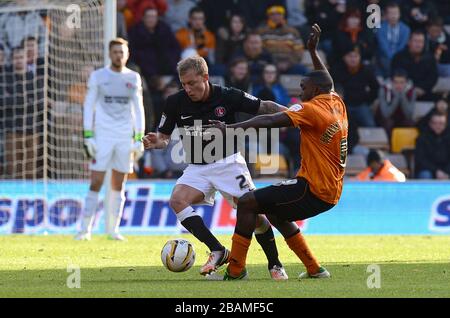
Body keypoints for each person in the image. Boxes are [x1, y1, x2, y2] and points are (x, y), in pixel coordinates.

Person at [208, 24, 347, 280]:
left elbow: (270, 122)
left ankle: (236, 269)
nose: (299, 92)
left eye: (303, 87)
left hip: (313, 188)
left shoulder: (310, 109)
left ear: (314, 91)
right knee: (273, 210)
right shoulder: (335, 102)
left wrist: (230, 129)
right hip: (328, 188)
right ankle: (315, 269)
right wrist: (313, 52)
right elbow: (326, 79)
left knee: (248, 202)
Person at [142, 55, 290, 280]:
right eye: (183, 84)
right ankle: (218, 250)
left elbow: (265, 107)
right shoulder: (175, 102)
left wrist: (298, 114)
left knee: (255, 214)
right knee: (177, 200)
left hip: (228, 163)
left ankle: (275, 263)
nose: (188, 89)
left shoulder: (227, 95)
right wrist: (157, 142)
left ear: (205, 77)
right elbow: (163, 138)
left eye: (192, 83)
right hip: (198, 167)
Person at [75, 38, 146, 241]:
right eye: (115, 52)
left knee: (119, 182)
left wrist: (139, 137)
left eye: (122, 52)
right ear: (109, 53)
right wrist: (88, 135)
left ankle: (113, 229)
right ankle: (84, 229)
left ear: (127, 54)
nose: (119, 55)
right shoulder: (99, 76)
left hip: (124, 136)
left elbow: (138, 108)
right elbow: (89, 105)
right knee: (96, 180)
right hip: (103, 135)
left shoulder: (133, 77)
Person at [391, 31, 438, 101]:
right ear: (409, 42)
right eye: (415, 41)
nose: (418, 45)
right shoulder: (398, 57)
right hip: (403, 92)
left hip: (424, 92)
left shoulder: (430, 58)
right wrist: (411, 89)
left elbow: (433, 77)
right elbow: (395, 75)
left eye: (421, 42)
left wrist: (422, 89)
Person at [376, 68, 416, 136]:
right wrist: (397, 97)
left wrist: (402, 95)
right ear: (391, 82)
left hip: (402, 117)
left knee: (411, 123)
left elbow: (409, 114)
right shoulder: (384, 89)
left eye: (402, 82)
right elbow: (386, 114)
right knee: (388, 123)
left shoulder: (411, 90)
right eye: (396, 82)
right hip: (386, 118)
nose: (399, 85)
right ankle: (389, 145)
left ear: (406, 82)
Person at [415, 112, 450, 180]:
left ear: (445, 125)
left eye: (441, 123)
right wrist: (436, 171)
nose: (438, 126)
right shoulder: (422, 138)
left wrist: (446, 171)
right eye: (435, 123)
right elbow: (420, 159)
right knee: (425, 175)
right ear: (430, 124)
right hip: (427, 170)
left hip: (446, 170)